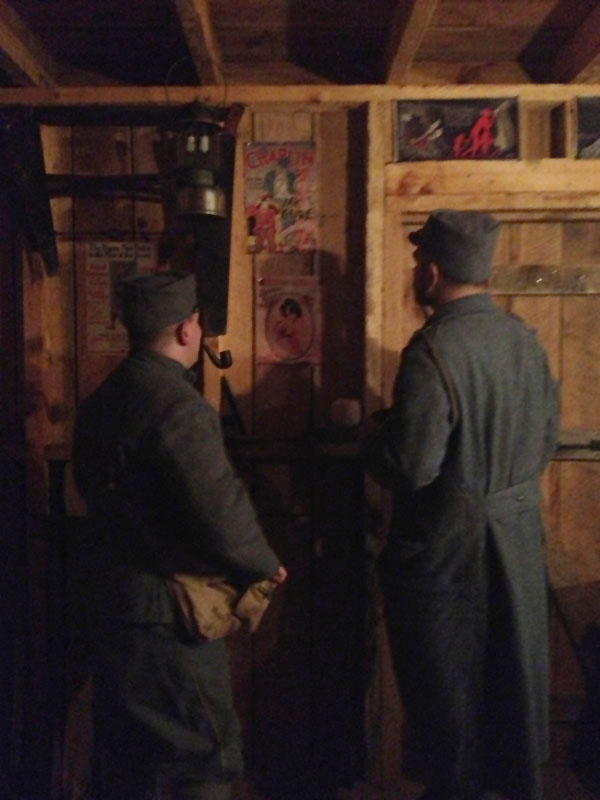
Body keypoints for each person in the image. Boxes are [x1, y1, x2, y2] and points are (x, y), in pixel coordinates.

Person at [364, 210, 559, 800]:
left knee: (449, 718)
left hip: (449, 560)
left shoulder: (433, 350)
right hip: (517, 551)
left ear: (431, 270)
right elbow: (546, 438)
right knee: (509, 705)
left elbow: (410, 466)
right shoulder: (524, 341)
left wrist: (374, 432)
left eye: (420, 262)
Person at [72, 271, 287, 800]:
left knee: (128, 758)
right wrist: (263, 563)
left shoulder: (103, 399)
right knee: (205, 755)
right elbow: (218, 509)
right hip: (169, 616)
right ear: (187, 330)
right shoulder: (178, 406)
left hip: (113, 602)